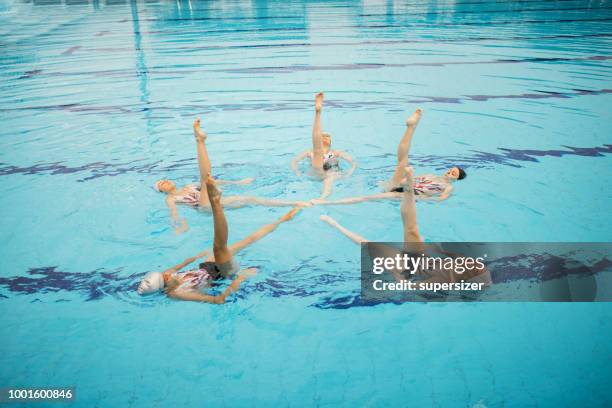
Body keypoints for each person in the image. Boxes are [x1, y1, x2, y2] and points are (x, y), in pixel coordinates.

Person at [138, 175, 302, 304]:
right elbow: (219, 300)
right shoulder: (178, 293)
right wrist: (240, 278)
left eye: (163, 274)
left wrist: (198, 256)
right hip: (221, 276)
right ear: (162, 287)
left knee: (247, 240)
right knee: (219, 247)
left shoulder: (167, 274)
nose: (167, 274)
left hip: (205, 266)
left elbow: (185, 263)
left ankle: (283, 219)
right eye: (165, 278)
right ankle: (215, 203)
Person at [156, 118, 309, 233]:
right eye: (162, 184)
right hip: (203, 207)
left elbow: (219, 182)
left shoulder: (188, 186)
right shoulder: (170, 198)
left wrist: (238, 183)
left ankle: (294, 203)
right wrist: (179, 224)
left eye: (165, 180)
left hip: (216, 202)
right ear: (162, 191)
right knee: (206, 180)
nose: (165, 182)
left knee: (251, 199)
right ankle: (200, 141)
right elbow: (173, 212)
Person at [313, 109, 466, 206]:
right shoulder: (430, 175)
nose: (449, 173)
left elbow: (438, 199)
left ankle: (411, 128)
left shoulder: (448, 187)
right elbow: (411, 179)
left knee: (370, 196)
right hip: (404, 187)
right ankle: (410, 128)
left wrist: (415, 198)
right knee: (402, 163)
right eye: (450, 170)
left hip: (409, 193)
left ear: (456, 179)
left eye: (453, 173)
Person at [291, 92, 356, 199]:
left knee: (329, 180)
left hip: (331, 172)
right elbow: (294, 161)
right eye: (323, 136)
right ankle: (318, 113)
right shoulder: (309, 152)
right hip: (316, 171)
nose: (325, 137)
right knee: (317, 151)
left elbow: (353, 162)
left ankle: (322, 198)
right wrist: (297, 172)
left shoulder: (336, 152)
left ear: (331, 141)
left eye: (327, 136)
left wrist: (349, 172)